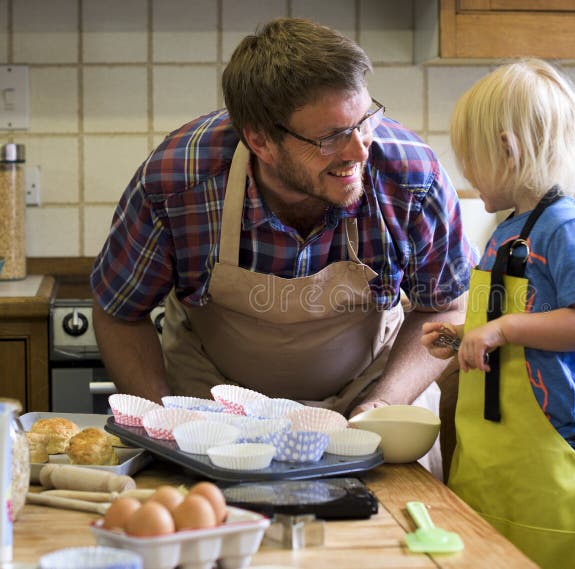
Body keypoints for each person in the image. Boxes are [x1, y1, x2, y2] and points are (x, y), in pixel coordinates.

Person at [90, 17, 476, 457]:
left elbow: (444, 305)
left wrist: (383, 404)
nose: (358, 151)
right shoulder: (178, 182)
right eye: (331, 137)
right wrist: (163, 425)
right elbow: (119, 313)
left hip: (369, 390)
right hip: (211, 407)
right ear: (260, 141)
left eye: (365, 119)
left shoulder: (410, 179)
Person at [421, 59, 575, 568]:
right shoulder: (509, 230)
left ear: (507, 148)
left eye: (471, 158)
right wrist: (466, 334)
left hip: (549, 445)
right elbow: (528, 318)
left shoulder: (564, 229)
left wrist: (501, 328)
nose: (466, 172)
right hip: (494, 447)